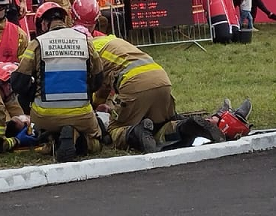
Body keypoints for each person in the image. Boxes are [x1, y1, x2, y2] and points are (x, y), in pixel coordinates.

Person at [90, 30, 221, 153]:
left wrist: (95, 106)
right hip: (162, 80)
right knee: (160, 125)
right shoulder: (113, 41)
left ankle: (136, 132)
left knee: (114, 129)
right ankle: (185, 127)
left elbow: (100, 86)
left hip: (135, 84)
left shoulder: (90, 50)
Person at [11, 0, 105, 161]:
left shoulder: (37, 43)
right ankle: (79, 139)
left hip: (44, 114)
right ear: (64, 20)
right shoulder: (85, 40)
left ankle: (49, 137)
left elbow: (19, 83)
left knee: (25, 95)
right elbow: (98, 79)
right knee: (97, 141)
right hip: (81, 113)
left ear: (43, 25)